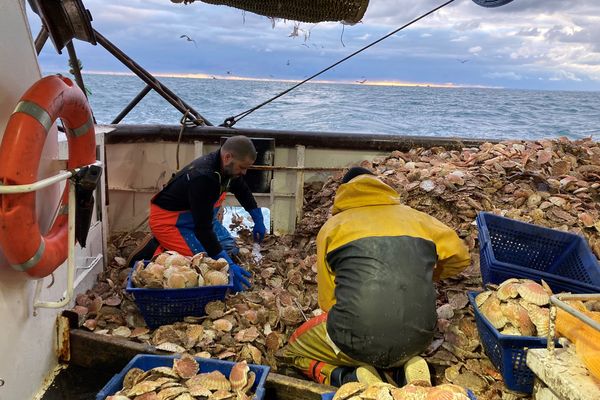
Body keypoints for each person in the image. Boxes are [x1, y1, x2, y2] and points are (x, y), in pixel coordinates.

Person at [282, 167, 471, 387]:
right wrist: (428, 274)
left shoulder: (332, 228)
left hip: (355, 342)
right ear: (382, 187)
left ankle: (349, 377)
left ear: (344, 192)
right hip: (419, 339)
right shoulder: (421, 220)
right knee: (394, 337)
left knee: (292, 350)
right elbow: (461, 257)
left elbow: (327, 303)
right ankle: (405, 368)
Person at [126, 135, 266, 292]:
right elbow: (203, 230)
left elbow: (242, 190)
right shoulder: (204, 177)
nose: (245, 172)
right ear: (227, 157)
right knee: (201, 262)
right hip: (170, 222)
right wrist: (229, 265)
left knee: (229, 249)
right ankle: (157, 248)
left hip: (199, 217)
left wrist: (258, 218)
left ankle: (170, 244)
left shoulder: (228, 169)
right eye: (242, 167)